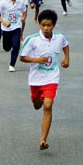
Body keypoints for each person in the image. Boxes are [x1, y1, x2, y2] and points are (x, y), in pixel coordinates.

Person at [19, 9, 70, 151]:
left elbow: (65, 45)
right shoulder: (32, 39)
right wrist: (36, 59)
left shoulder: (59, 38)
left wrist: (66, 59)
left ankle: (43, 140)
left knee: (48, 105)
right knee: (37, 105)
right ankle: (38, 99)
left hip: (51, 78)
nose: (46, 28)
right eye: (43, 25)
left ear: (54, 25)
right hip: (36, 79)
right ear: (39, 25)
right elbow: (22, 57)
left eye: (49, 25)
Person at [0, 0, 28, 72]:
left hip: (16, 27)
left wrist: (23, 18)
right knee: (6, 48)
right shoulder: (3, 3)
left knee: (16, 45)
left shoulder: (20, 2)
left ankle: (12, 64)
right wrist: (4, 22)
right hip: (6, 29)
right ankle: (7, 46)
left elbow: (24, 11)